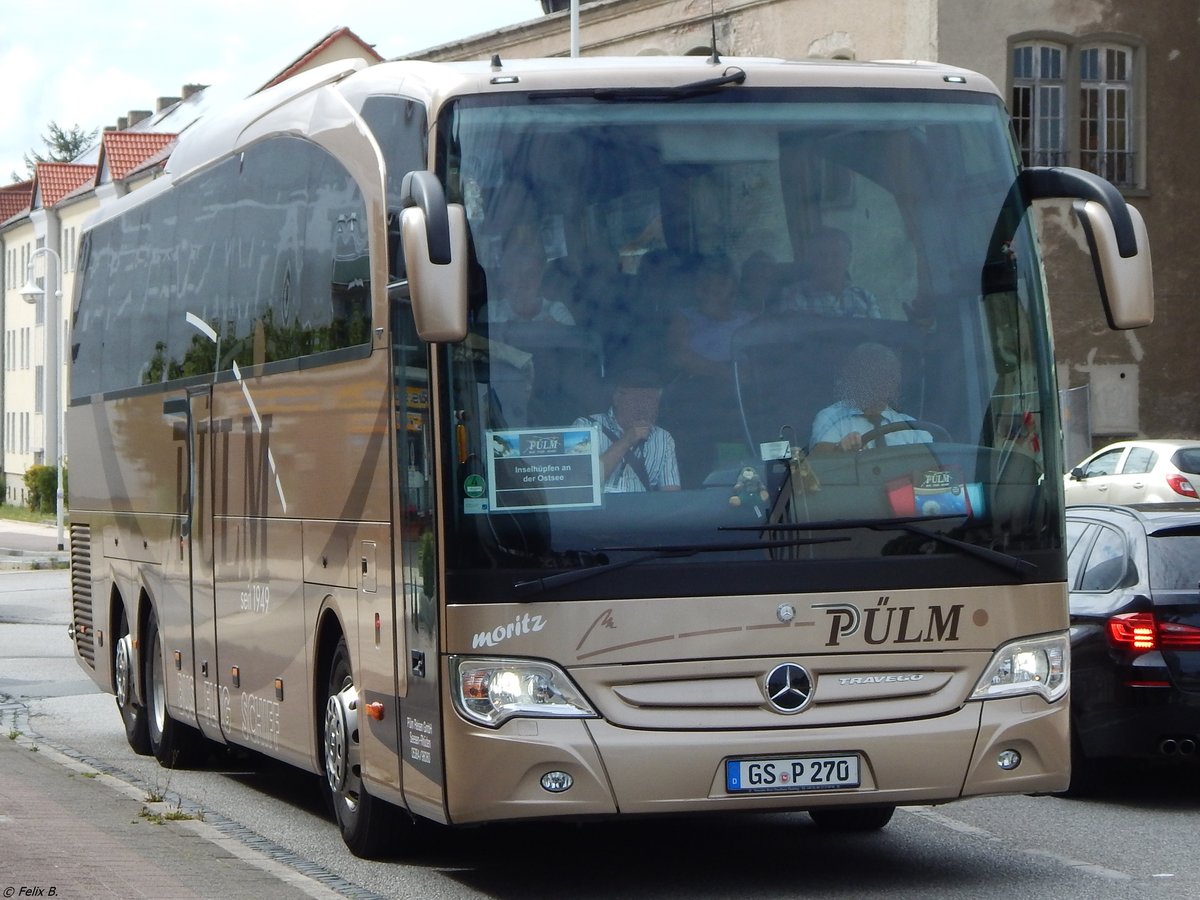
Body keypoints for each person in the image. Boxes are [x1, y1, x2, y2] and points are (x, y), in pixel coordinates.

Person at [809, 342, 931, 453]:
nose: (883, 381)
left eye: (890, 374)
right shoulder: (831, 417)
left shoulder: (911, 428)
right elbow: (818, 459)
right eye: (874, 373)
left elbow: (934, 467)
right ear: (856, 377)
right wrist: (839, 448)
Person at [574, 368, 681, 492]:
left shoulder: (663, 438)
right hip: (600, 511)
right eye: (637, 399)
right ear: (617, 398)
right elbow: (579, 483)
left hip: (642, 510)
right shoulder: (584, 426)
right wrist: (626, 440)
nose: (644, 407)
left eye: (651, 401)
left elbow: (671, 495)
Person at [778, 227, 881, 319]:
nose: (828, 262)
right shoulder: (793, 295)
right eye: (821, 255)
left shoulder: (865, 298)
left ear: (848, 260)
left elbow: (878, 337)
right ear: (810, 259)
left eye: (836, 255)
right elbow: (793, 337)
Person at [481, 241, 575, 324]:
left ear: (540, 279)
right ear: (506, 279)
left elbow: (573, 341)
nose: (523, 282)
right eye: (516, 274)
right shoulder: (492, 313)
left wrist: (556, 331)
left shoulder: (557, 312)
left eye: (531, 275)